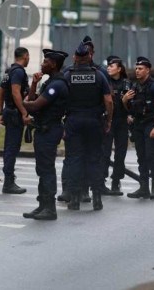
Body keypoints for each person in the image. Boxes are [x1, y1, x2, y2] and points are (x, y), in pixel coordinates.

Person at [63, 43, 113, 211]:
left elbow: (60, 99)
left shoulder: (67, 76)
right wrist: (109, 120)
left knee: (75, 159)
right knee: (94, 158)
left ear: (76, 57)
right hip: (94, 121)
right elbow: (108, 101)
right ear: (89, 57)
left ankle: (75, 198)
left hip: (74, 121)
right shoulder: (99, 76)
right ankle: (97, 197)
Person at [21, 48, 69, 221]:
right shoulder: (49, 82)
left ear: (54, 64)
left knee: (46, 169)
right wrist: (33, 84)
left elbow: (34, 106)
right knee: (41, 169)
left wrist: (21, 103)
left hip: (50, 129)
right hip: (43, 129)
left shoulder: (57, 85)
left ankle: (50, 208)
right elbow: (33, 99)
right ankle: (42, 205)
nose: (42, 64)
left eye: (46, 61)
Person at [122, 56, 154, 200]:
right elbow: (130, 108)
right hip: (138, 124)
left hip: (151, 123)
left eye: (140, 69)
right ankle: (144, 187)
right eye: (136, 68)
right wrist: (124, 101)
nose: (137, 71)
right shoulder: (134, 87)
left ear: (148, 70)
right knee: (141, 157)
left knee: (151, 156)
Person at [0, 47, 31, 194]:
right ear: (26, 56)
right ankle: (8, 182)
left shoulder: (9, 71)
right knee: (12, 147)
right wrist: (24, 112)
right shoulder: (18, 71)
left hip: (9, 112)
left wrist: (0, 112)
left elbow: (0, 92)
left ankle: (9, 179)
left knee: (10, 147)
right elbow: (16, 93)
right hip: (15, 114)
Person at [101, 56, 132, 196]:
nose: (108, 67)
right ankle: (101, 181)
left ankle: (116, 180)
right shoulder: (104, 82)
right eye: (108, 65)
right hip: (108, 121)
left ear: (119, 69)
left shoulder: (126, 84)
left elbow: (132, 106)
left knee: (120, 153)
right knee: (105, 152)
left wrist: (127, 106)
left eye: (112, 66)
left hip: (121, 121)